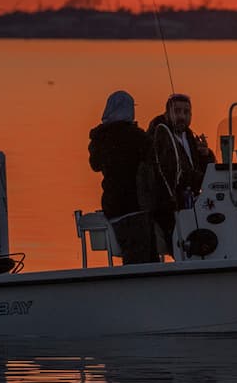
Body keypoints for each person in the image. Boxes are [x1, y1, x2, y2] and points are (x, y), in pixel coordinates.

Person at [139, 92, 209, 261]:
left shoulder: (189, 136)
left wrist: (206, 155)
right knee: (182, 245)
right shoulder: (161, 134)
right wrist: (202, 180)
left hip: (189, 202)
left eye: (186, 112)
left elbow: (202, 168)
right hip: (167, 204)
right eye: (177, 111)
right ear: (167, 113)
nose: (182, 116)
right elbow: (175, 171)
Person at [87, 90, 154, 263]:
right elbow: (154, 160)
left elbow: (94, 165)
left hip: (112, 205)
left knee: (129, 255)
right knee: (143, 259)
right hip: (135, 206)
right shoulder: (137, 137)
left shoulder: (100, 138)